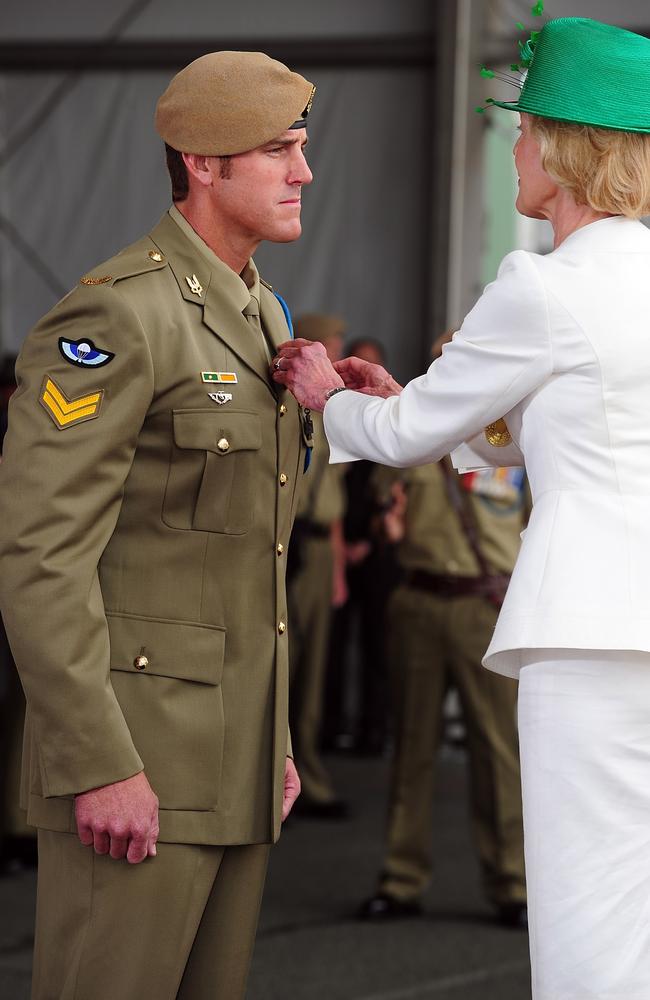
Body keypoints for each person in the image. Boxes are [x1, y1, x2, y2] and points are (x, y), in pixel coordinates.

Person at [272, 16, 650, 999]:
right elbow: (540, 426)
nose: (514, 146)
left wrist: (328, 396)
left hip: (588, 634)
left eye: (522, 128)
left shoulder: (540, 284)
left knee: (584, 906)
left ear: (564, 149)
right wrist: (416, 409)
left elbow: (406, 442)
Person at [0, 50, 315, 999]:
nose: (304, 172)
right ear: (202, 164)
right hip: (136, 759)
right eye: (278, 150)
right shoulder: (116, 315)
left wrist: (278, 740)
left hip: (235, 752)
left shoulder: (262, 313)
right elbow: (40, 555)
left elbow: (244, 541)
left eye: (302, 147)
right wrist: (96, 763)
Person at [359, 333, 527, 927]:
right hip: (421, 600)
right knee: (412, 744)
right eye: (440, 361)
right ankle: (401, 877)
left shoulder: (512, 437)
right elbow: (382, 503)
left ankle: (513, 882)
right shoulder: (413, 428)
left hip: (487, 607)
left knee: (499, 750)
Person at [287, 313, 349, 818]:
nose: (338, 347)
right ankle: (277, 774)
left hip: (319, 545)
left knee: (312, 672)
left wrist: (338, 571)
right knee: (280, 667)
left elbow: (333, 495)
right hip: (287, 541)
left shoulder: (331, 403)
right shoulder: (290, 396)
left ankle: (307, 772)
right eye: (332, 339)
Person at [325, 337, 397, 756]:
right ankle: (330, 730)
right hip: (332, 547)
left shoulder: (389, 420)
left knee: (377, 646)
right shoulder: (333, 415)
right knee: (330, 649)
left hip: (374, 554)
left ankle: (374, 731)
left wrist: (367, 543)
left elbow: (392, 488)